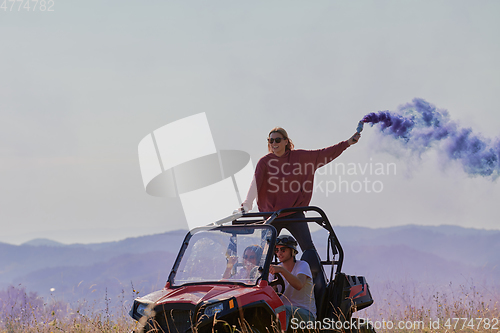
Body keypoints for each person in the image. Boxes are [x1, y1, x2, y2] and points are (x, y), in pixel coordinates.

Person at [241, 127, 361, 251]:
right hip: (272, 215)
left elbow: (322, 154)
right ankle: (265, 271)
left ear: (286, 141)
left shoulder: (299, 157)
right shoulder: (264, 162)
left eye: (277, 140)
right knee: (265, 253)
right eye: (270, 141)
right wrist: (247, 204)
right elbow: (255, 184)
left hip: (294, 213)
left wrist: (347, 143)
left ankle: (315, 270)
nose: (274, 144)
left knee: (308, 248)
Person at [270, 235, 315, 330]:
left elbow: (299, 285)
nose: (279, 253)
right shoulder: (276, 269)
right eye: (277, 250)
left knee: (284, 310)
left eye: (283, 250)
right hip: (281, 311)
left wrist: (281, 270)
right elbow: (271, 294)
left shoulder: (302, 265)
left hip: (306, 314)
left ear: (293, 251)